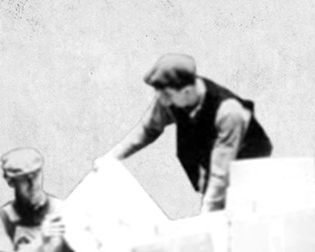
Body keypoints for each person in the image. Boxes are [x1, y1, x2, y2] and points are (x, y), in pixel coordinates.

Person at [96, 54, 272, 214]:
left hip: (247, 160)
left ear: (187, 91)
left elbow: (221, 171)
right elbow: (147, 130)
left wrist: (207, 214)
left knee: (240, 213)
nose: (162, 101)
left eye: (167, 95)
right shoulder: (170, 97)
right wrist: (111, 157)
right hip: (214, 158)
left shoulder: (228, 111)